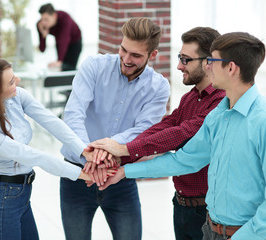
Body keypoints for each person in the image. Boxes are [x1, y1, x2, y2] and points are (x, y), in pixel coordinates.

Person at [98, 32, 266, 240]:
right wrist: (124, 171)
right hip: (210, 230)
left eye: (212, 61)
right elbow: (185, 161)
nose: (208, 67)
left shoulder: (262, 122)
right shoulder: (217, 116)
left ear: (230, 68)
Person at [0, 58, 106, 240]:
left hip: (21, 195)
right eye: (11, 81)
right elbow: (36, 157)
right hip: (3, 201)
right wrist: (84, 174)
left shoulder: (17, 96)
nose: (18, 80)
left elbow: (52, 122)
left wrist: (85, 151)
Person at [60, 17, 170, 240]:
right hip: (77, 174)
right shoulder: (94, 66)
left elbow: (145, 130)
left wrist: (103, 150)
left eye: (136, 55)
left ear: (153, 55)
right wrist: (89, 156)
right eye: (124, 49)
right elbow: (73, 114)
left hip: (120, 178)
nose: (126, 59)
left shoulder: (158, 87)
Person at [37, 3, 82, 71]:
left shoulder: (64, 18)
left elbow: (64, 40)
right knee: (60, 68)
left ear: (54, 16)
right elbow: (42, 49)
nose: (44, 23)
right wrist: (43, 36)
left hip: (74, 41)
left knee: (69, 68)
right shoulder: (41, 25)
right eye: (42, 19)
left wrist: (59, 61)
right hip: (59, 41)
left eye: (46, 19)